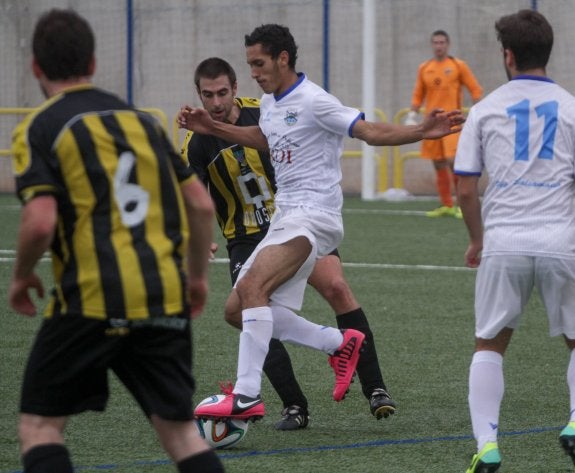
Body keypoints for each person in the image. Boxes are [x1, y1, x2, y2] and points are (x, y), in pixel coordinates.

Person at [178, 24, 464, 423]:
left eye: (259, 63)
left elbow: (368, 131)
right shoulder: (271, 103)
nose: (255, 72)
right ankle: (337, 343)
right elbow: (267, 139)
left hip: (314, 216)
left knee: (260, 287)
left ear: (282, 59)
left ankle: (246, 395)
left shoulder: (315, 101)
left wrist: (420, 131)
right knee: (236, 308)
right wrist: (213, 128)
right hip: (287, 216)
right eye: (250, 65)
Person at [9, 9, 224, 473]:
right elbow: (202, 207)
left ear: (36, 68)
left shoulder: (41, 126)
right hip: (162, 295)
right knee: (183, 434)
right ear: (92, 61)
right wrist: (197, 279)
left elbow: (40, 223)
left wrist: (22, 274)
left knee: (41, 428)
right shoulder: (141, 122)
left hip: (89, 299)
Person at [180, 57, 396, 430]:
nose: (215, 102)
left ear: (235, 88)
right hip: (245, 237)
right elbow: (192, 197)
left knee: (336, 287)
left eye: (222, 93)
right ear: (198, 94)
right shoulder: (197, 144)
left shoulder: (263, 113)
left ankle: (375, 388)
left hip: (294, 220)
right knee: (243, 308)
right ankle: (294, 405)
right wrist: (195, 237)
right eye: (207, 94)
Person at [455, 10, 575, 472]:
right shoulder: (569, 106)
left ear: (507, 55)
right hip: (561, 241)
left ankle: (486, 446)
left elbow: (466, 187)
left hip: (503, 241)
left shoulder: (485, 108)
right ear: (548, 52)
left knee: (490, 343)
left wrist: (477, 240)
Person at [405, 29, 483, 218]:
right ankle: (446, 204)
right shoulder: (425, 67)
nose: (439, 46)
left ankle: (461, 205)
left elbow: (475, 89)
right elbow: (418, 93)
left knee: (454, 163)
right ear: (432, 45)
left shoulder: (458, 65)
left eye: (442, 43)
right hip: (432, 124)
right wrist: (412, 114)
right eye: (436, 43)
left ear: (447, 45)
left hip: (452, 123)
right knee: (438, 163)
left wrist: (479, 110)